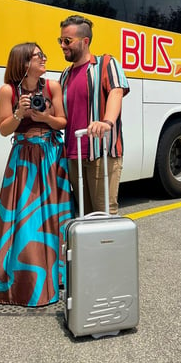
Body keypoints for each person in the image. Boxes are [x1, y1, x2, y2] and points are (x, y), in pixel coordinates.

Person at [0, 42, 74, 306]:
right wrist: (19, 113)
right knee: (19, 219)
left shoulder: (52, 86)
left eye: (43, 55)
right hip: (23, 158)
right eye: (38, 56)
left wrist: (45, 117)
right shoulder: (8, 91)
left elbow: (62, 122)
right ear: (24, 62)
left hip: (51, 154)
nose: (44, 59)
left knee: (55, 216)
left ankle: (57, 274)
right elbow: (3, 128)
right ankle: (19, 280)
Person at [58, 15, 129, 215]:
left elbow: (116, 91)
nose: (63, 45)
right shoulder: (65, 74)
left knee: (104, 213)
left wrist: (107, 121)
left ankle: (111, 247)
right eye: (61, 41)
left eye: (67, 41)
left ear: (85, 41)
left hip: (100, 152)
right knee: (84, 214)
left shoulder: (106, 63)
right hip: (74, 155)